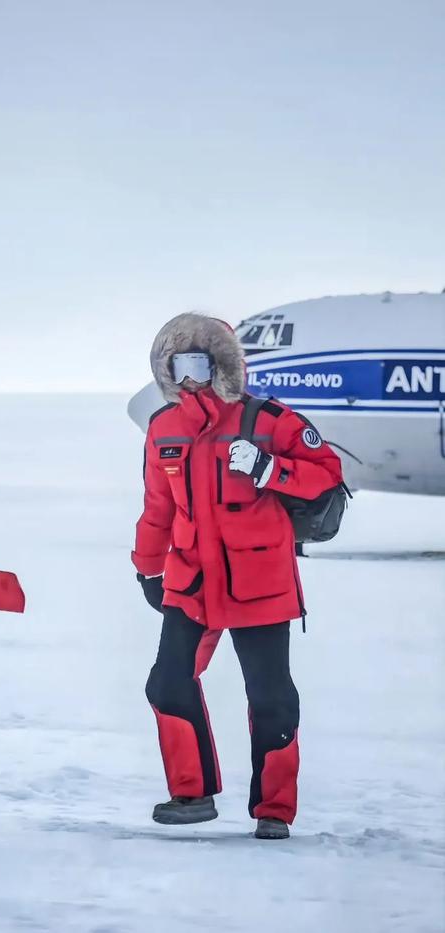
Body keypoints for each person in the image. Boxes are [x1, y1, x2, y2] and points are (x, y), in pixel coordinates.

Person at [132, 312, 343, 840]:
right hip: (192, 584)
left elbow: (328, 475)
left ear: (222, 364)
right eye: (178, 363)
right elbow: (158, 509)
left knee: (270, 694)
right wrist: (147, 568)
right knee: (167, 682)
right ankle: (192, 794)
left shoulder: (267, 420)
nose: (189, 376)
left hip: (260, 586)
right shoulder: (163, 429)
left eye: (200, 362)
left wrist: (272, 469)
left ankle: (274, 810)